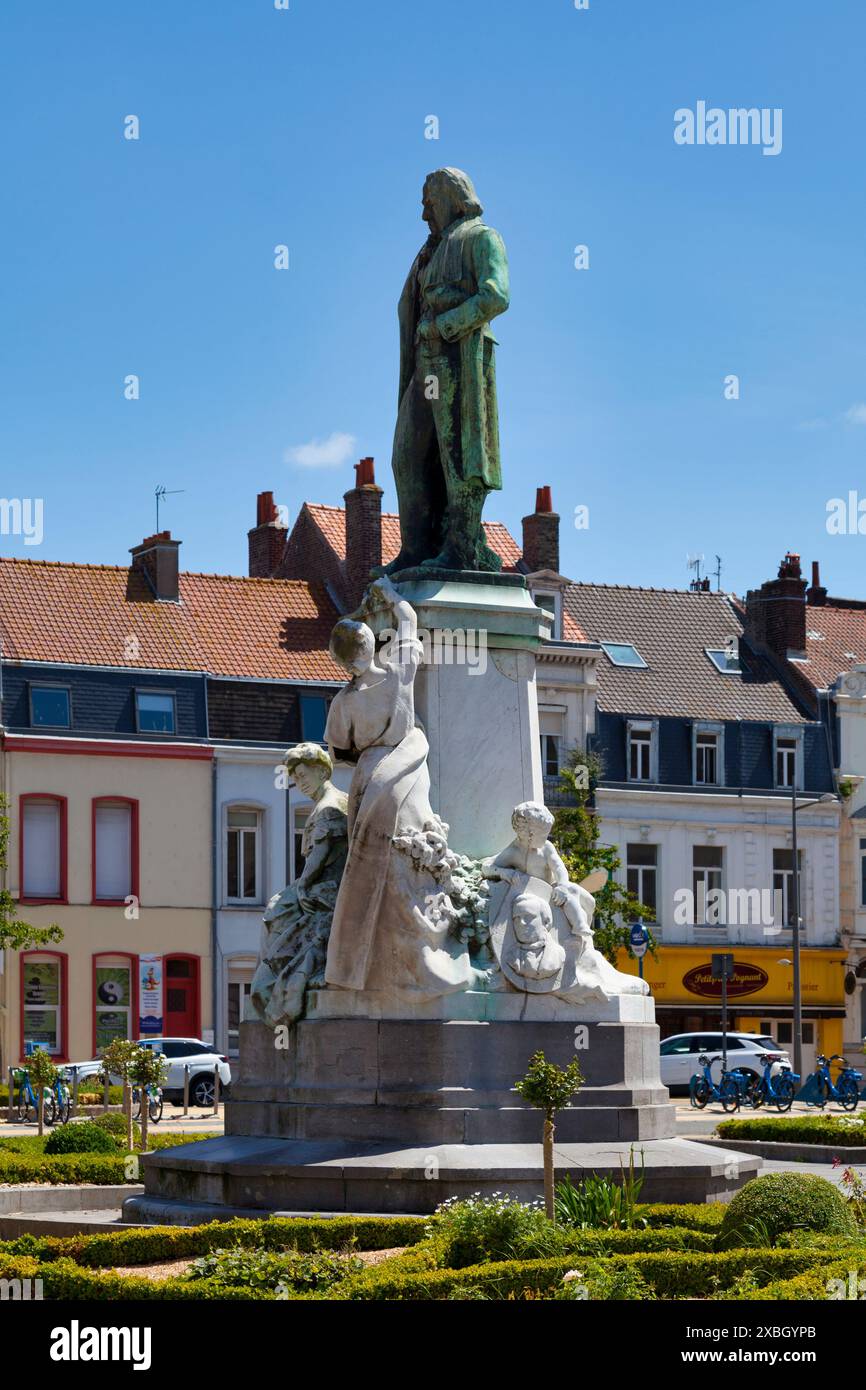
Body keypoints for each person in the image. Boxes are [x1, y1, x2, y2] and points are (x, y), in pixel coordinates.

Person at [384, 167, 510, 573]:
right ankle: (416, 548)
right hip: (426, 365)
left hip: (459, 360)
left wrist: (444, 324)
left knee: (457, 455)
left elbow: (496, 295)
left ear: (454, 199)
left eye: (429, 204)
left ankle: (461, 546)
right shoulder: (429, 252)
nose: (424, 216)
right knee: (407, 455)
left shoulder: (481, 237)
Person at [249, 744, 348, 1024]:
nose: (300, 782)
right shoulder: (337, 800)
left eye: (303, 775)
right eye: (296, 778)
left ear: (321, 770)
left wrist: (303, 886)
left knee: (275, 912)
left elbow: (319, 855)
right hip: (327, 886)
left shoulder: (329, 807)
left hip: (326, 890)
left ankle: (268, 985)